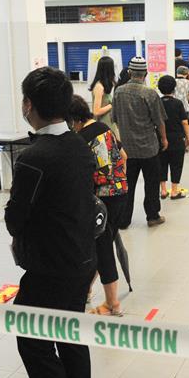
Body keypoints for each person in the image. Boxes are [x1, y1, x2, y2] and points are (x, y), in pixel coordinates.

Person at [5, 67, 96, 378]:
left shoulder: (33, 159)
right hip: (81, 259)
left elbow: (14, 219)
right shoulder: (80, 145)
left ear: (29, 105)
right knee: (72, 338)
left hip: (48, 269)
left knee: (33, 342)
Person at [66, 95, 128, 316]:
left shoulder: (80, 139)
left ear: (73, 119)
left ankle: (113, 304)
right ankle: (87, 290)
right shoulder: (104, 127)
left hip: (101, 200)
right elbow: (124, 156)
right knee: (99, 245)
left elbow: (85, 176)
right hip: (120, 194)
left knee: (102, 250)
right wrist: (119, 182)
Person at [112, 57, 168, 228]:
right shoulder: (150, 94)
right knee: (151, 183)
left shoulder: (118, 92)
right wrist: (164, 139)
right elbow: (159, 121)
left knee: (127, 185)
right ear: (146, 73)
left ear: (129, 72)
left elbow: (115, 118)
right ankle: (152, 216)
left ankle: (123, 220)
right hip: (149, 148)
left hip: (127, 149)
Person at [157, 76, 189, 200]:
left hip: (160, 139)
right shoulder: (178, 103)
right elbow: (184, 122)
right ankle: (174, 191)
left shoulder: (157, 103)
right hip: (176, 139)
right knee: (176, 164)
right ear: (174, 88)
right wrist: (188, 137)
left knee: (162, 164)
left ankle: (163, 190)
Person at [89, 56, 117, 134]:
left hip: (109, 123)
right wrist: (112, 105)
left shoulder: (105, 85)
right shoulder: (99, 87)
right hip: (103, 126)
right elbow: (96, 111)